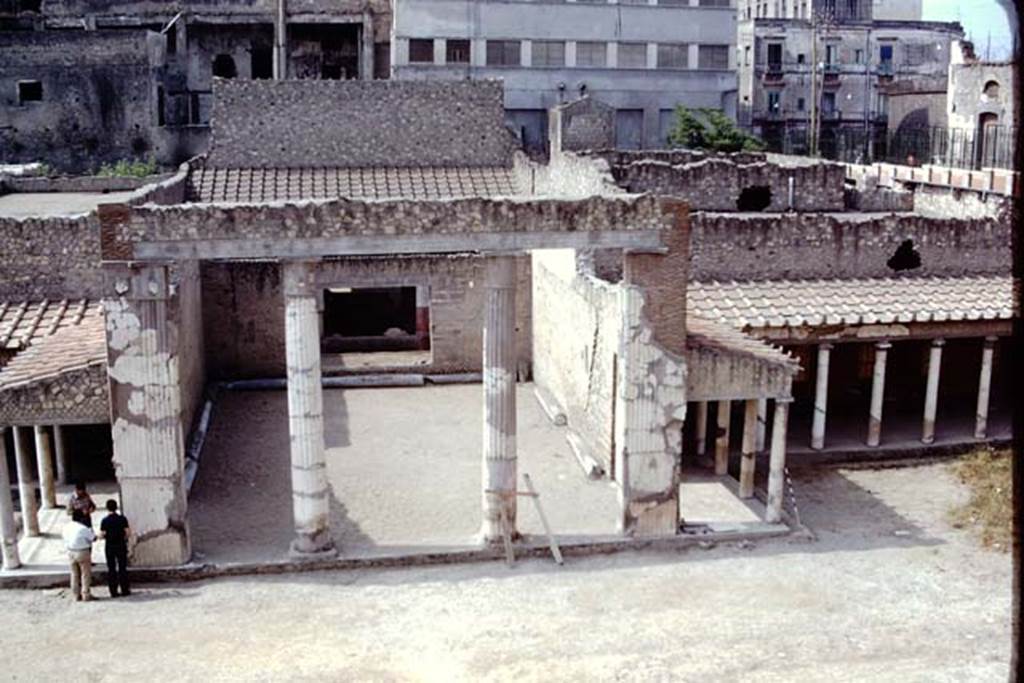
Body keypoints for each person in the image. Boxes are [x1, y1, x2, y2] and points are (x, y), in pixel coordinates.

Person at [99, 499, 132, 598]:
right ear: (116, 507)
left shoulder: (104, 521)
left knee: (111, 569)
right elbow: (128, 533)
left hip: (110, 546)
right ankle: (125, 589)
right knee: (122, 567)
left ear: (107, 508)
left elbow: (102, 535)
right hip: (121, 545)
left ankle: (113, 591)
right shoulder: (122, 519)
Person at [62, 513, 96, 602]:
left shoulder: (67, 527)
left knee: (74, 574)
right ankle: (86, 594)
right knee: (85, 574)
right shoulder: (83, 528)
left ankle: (76, 595)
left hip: (70, 551)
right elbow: (93, 538)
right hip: (82, 551)